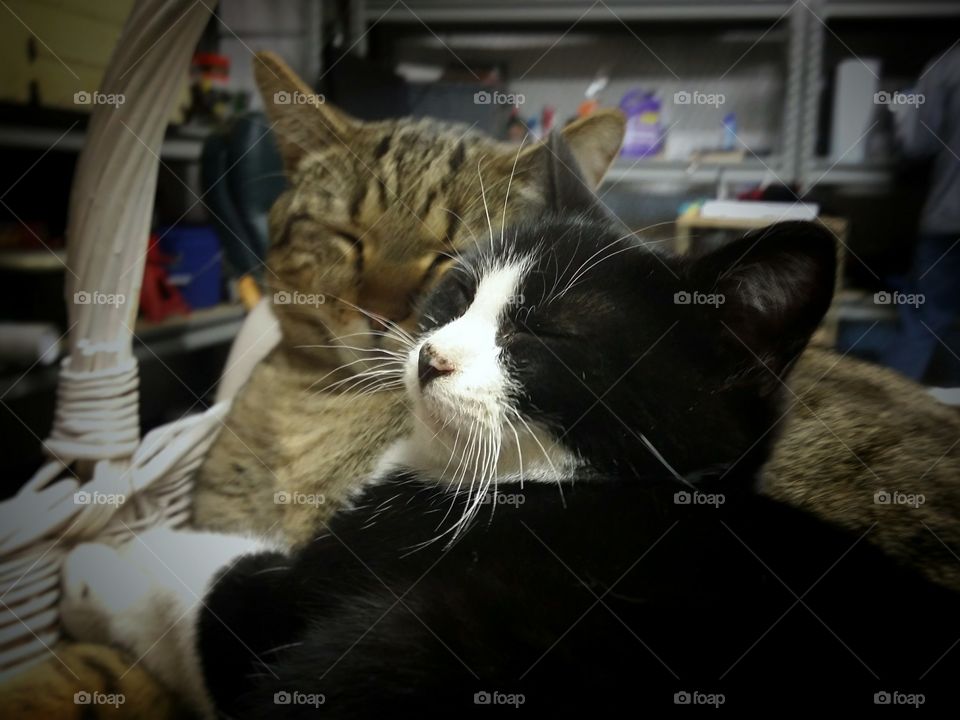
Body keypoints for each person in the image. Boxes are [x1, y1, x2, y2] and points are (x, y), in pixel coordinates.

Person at [882, 45, 960, 384]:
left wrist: (901, 111)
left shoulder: (947, 66)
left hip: (949, 215)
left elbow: (918, 144)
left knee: (924, 322)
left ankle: (885, 424)